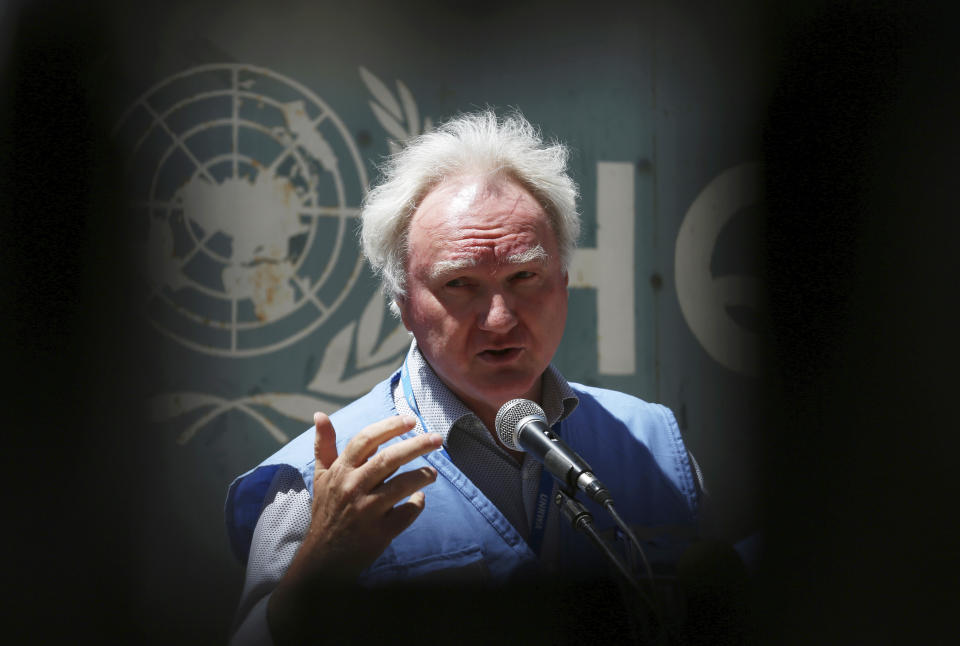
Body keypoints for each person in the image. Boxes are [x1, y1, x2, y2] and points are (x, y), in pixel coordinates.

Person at [225, 110, 702, 644]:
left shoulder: (654, 445)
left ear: (564, 284)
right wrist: (315, 580)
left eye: (524, 276)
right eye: (459, 284)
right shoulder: (321, 480)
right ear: (403, 305)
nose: (499, 318)